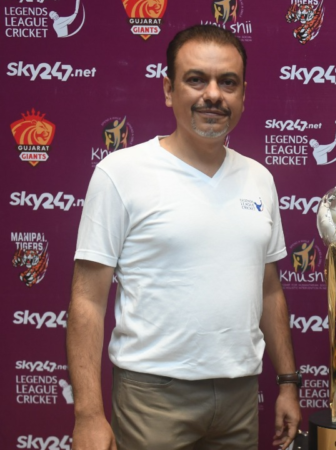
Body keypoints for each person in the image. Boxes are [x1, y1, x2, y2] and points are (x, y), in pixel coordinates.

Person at [66, 25, 301, 450]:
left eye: (227, 82)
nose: (213, 94)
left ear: (243, 95)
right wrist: (88, 415)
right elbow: (87, 299)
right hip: (152, 401)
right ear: (169, 90)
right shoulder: (120, 174)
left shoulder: (260, 179)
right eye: (197, 79)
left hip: (240, 400)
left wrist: (287, 383)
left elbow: (269, 289)